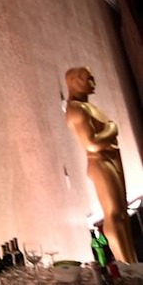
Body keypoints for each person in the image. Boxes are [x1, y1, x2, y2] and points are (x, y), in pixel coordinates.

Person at [65, 67, 137, 263]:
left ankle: (131, 264)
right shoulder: (76, 110)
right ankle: (126, 265)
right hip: (100, 162)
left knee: (121, 214)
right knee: (114, 214)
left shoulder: (85, 107)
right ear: (75, 81)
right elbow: (91, 144)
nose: (93, 83)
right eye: (88, 79)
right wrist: (112, 129)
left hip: (110, 157)